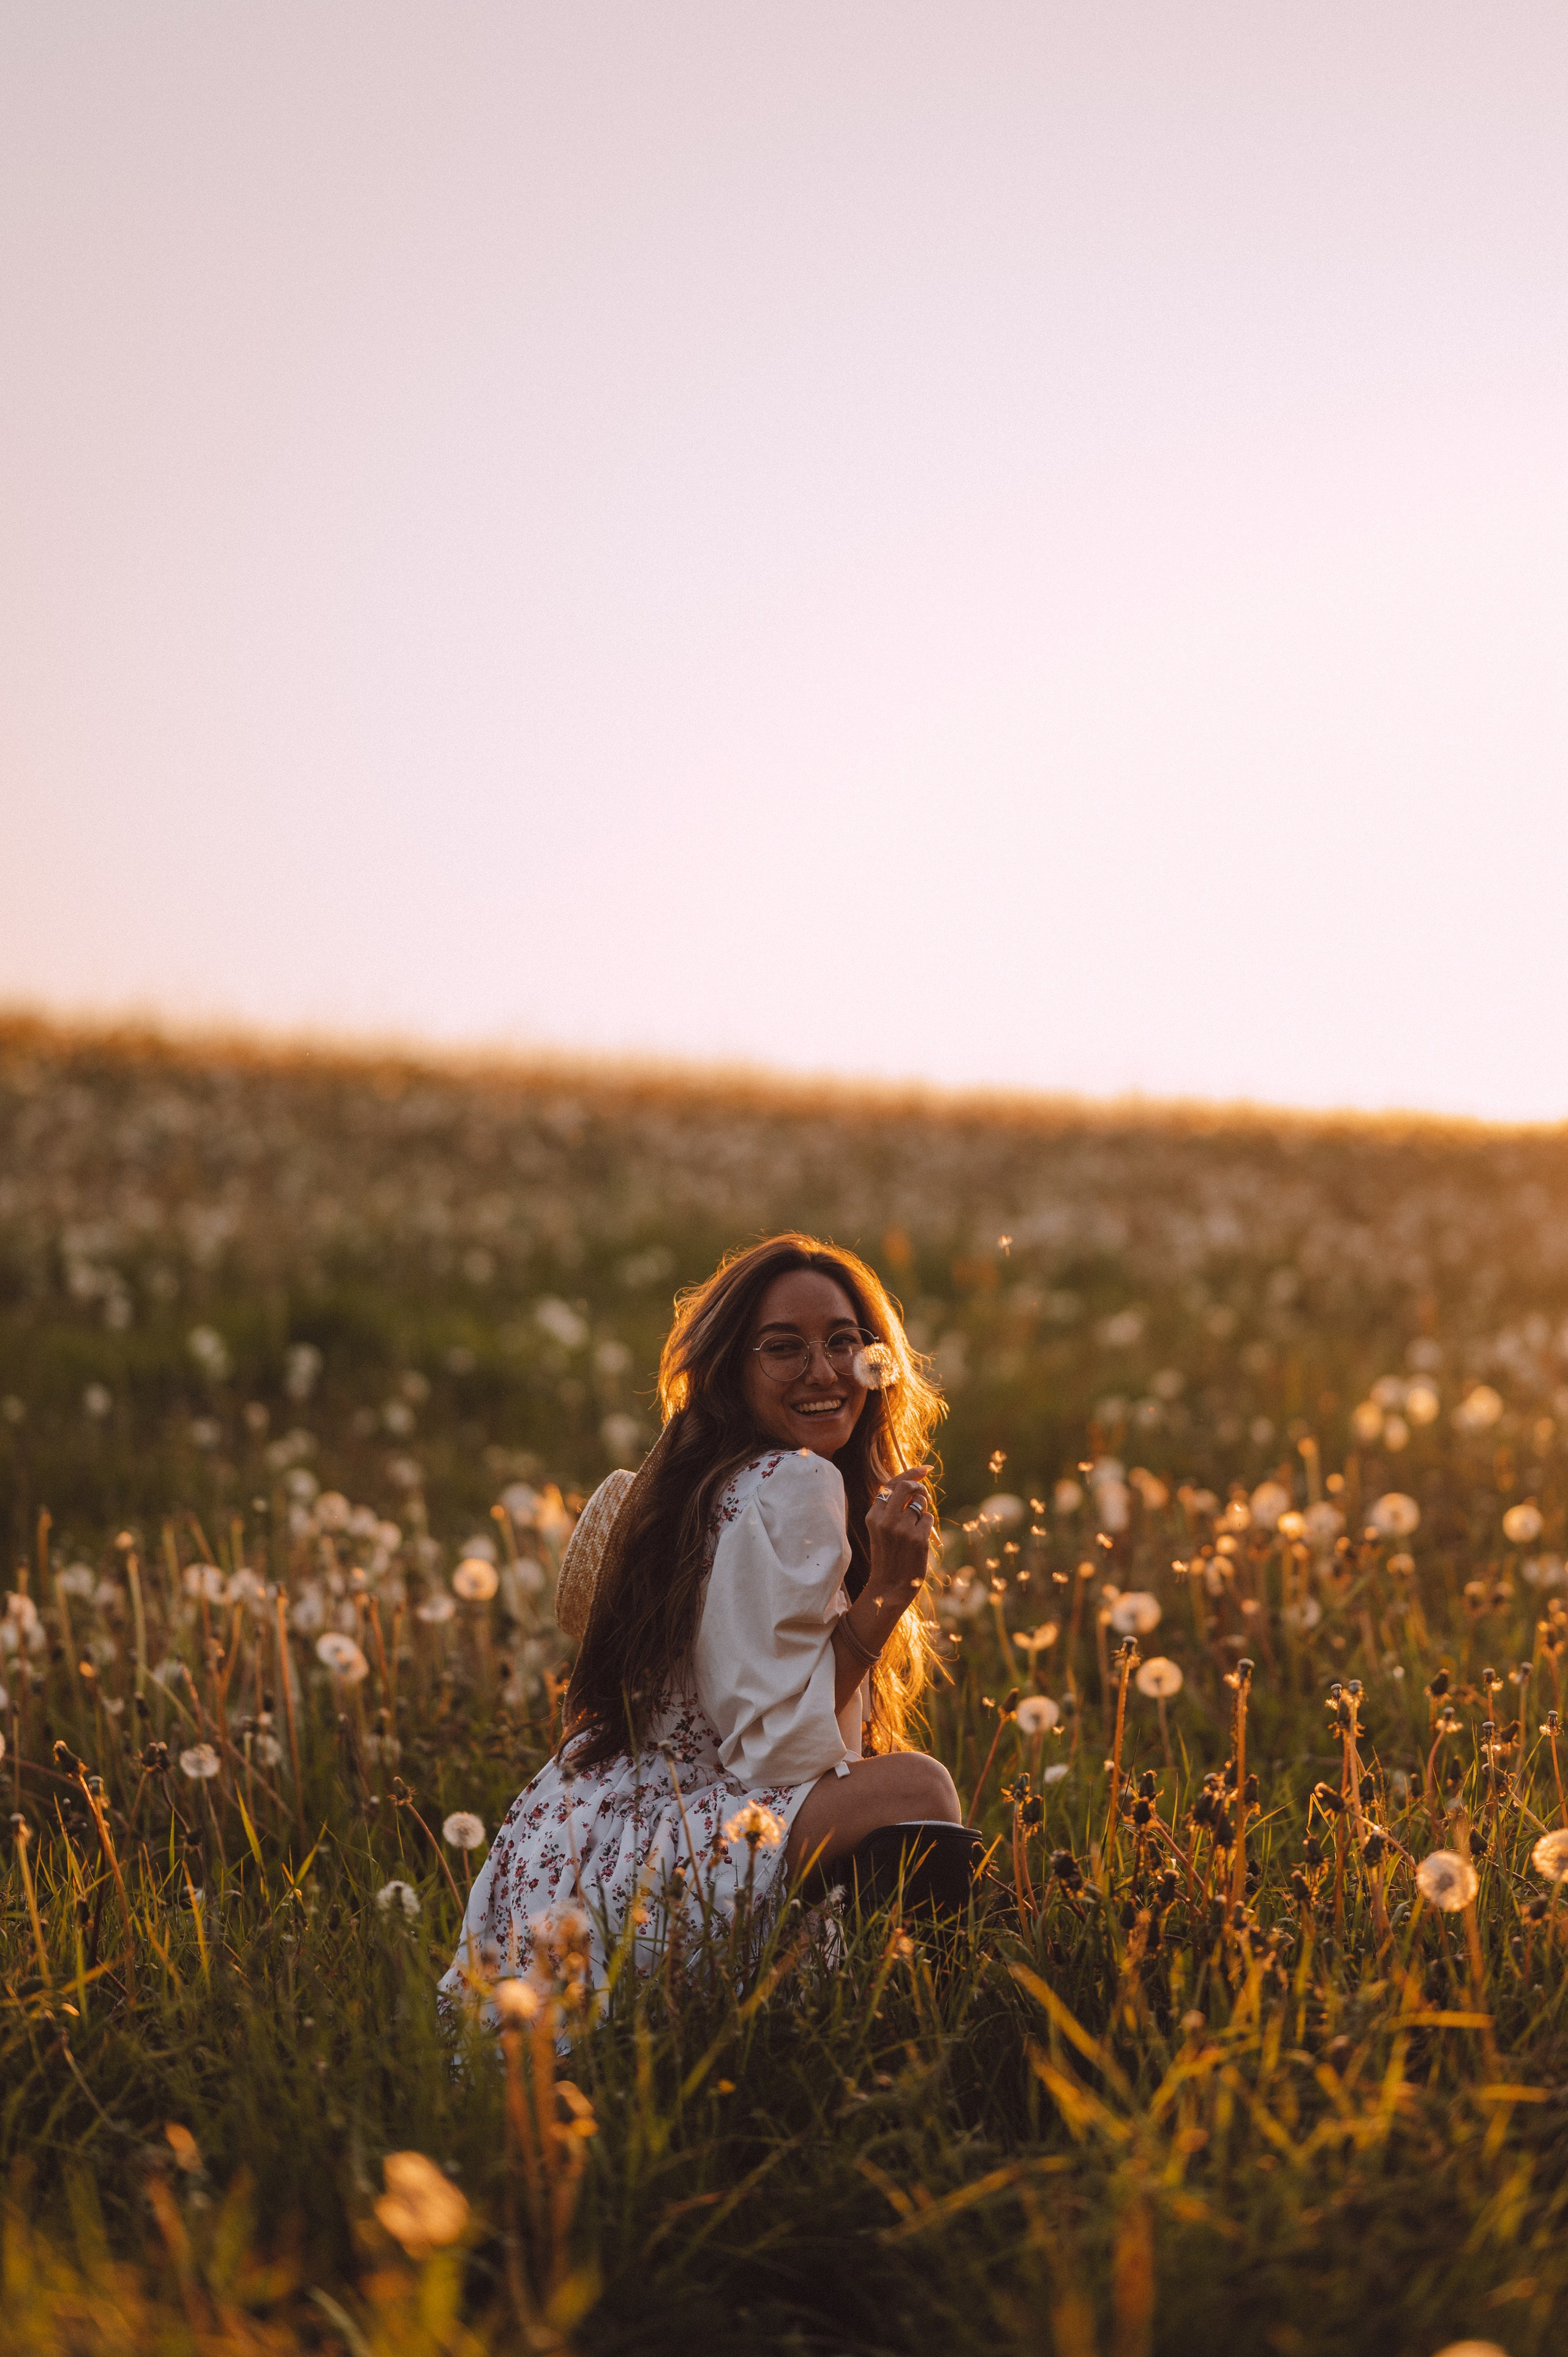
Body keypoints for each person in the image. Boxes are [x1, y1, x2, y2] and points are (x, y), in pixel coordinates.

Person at [439, 1232, 960, 2001]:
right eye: (784, 1348)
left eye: (845, 1342)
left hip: (574, 1844)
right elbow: (777, 1753)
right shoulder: (794, 1481)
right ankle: (914, 2028)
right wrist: (886, 1595)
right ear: (730, 1369)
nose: (824, 1371)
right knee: (915, 1789)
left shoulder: (702, 1481)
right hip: (671, 1853)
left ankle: (856, 1995)